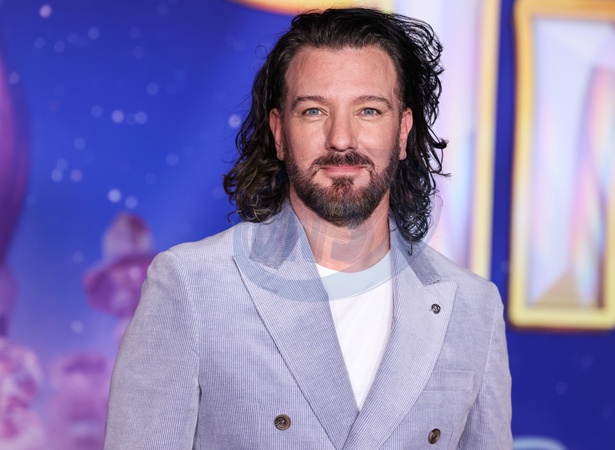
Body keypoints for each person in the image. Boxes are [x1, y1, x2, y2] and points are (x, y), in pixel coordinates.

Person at [104, 7, 511, 449]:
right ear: (279, 133)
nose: (341, 138)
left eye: (369, 110)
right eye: (314, 111)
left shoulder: (473, 307)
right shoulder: (192, 285)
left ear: (402, 132)